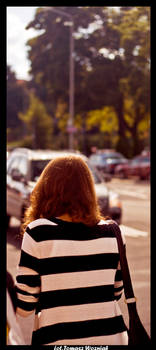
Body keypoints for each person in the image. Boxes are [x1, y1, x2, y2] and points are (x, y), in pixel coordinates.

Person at [15, 155, 128, 345]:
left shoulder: (39, 232)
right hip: (112, 338)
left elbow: (24, 306)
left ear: (47, 189)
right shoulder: (113, 233)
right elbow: (115, 293)